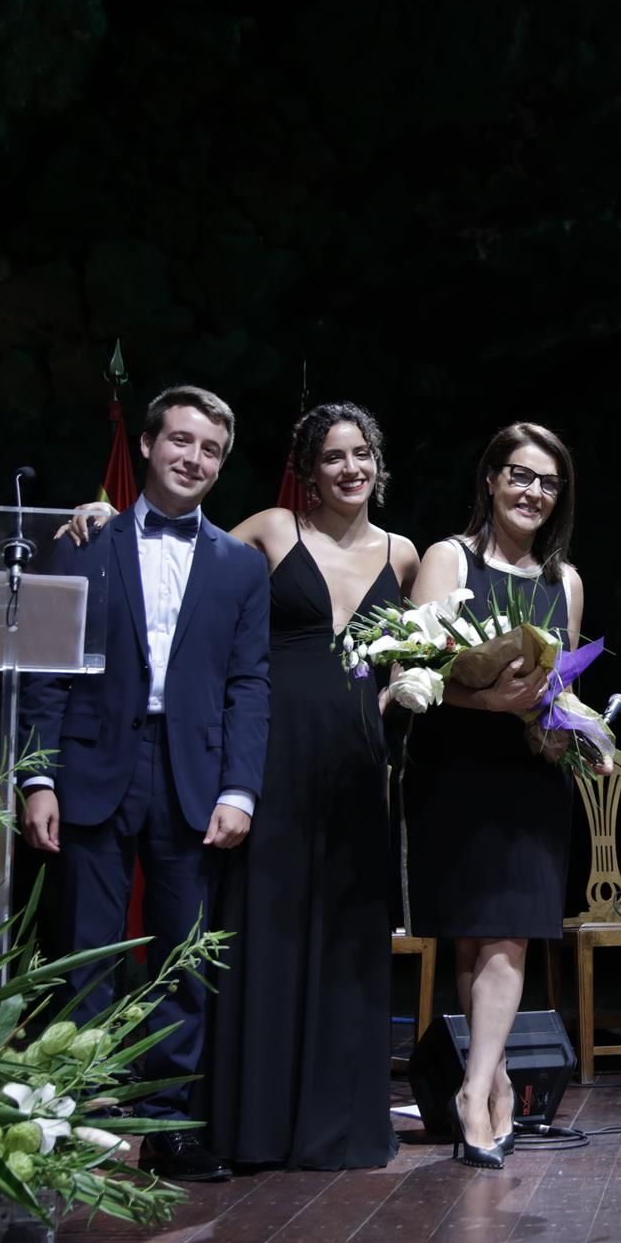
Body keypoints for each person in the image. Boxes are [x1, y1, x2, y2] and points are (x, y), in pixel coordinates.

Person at [21, 385, 272, 1183]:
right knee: (86, 953)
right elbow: (47, 668)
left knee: (182, 958)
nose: (192, 459)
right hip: (94, 769)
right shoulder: (84, 540)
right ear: (149, 446)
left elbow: (249, 684)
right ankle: (83, 1117)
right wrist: (36, 775)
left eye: (209, 450)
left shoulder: (241, 565)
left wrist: (240, 789)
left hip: (192, 775)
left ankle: (166, 1126)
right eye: (181, 441)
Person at [205, 403, 420, 1169]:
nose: (350, 468)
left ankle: (341, 1125)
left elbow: (415, 663)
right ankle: (255, 1126)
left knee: (345, 935)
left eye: (361, 453)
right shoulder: (268, 529)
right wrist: (107, 512)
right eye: (333, 456)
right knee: (268, 923)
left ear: (377, 461)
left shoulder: (404, 555)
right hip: (273, 750)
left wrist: (406, 691)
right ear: (308, 469)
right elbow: (182, 566)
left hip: (358, 762)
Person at [404, 422, 588, 1169]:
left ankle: (474, 1091)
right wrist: (491, 704)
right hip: (454, 766)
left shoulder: (564, 580)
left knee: (510, 931)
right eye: (520, 474)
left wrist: (580, 733)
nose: (533, 492)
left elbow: (563, 688)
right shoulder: (446, 558)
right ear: (490, 477)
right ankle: (497, 1077)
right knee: (473, 936)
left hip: (531, 779)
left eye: (548, 482)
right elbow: (415, 672)